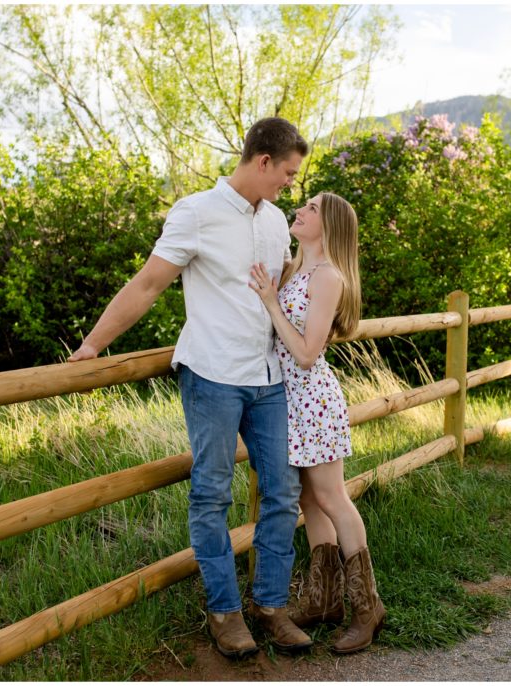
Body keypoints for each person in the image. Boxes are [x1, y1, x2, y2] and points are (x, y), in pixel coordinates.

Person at [68, 117, 313, 658]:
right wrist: (91, 345)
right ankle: (225, 613)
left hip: (268, 378)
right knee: (211, 496)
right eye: (288, 174)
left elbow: (291, 282)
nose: (290, 186)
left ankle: (270, 605)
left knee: (283, 493)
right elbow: (149, 283)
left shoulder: (274, 222)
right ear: (263, 161)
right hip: (213, 376)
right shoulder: (196, 212)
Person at [247, 192, 386, 654]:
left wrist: (271, 303)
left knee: (331, 497)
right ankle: (324, 600)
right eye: (302, 205)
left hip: (314, 399)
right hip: (290, 401)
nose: (300, 211)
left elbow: (307, 354)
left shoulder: (328, 277)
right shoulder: (296, 268)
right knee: (308, 498)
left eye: (311, 209)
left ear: (328, 226)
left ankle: (368, 608)